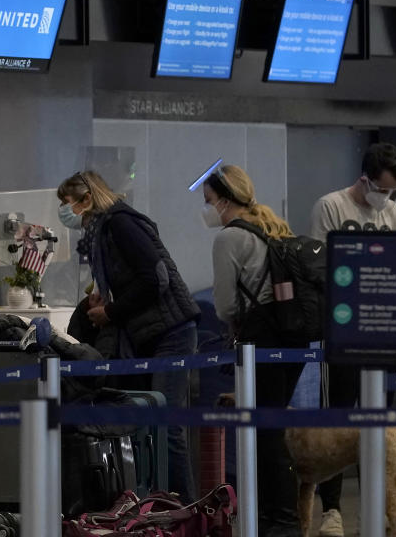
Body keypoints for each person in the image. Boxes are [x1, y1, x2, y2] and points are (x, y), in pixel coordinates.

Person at [57, 170, 199, 503]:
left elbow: (155, 279)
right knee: (151, 426)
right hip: (150, 334)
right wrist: (104, 300)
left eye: (66, 203)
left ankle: (187, 511)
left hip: (171, 332)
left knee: (166, 427)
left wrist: (111, 311)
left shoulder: (119, 223)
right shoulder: (102, 231)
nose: (64, 212)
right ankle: (159, 506)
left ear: (87, 198)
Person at [310, 142, 396, 537]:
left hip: (382, 330)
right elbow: (317, 266)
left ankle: (380, 506)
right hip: (344, 328)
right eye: (381, 189)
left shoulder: (393, 212)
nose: (385, 198)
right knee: (339, 419)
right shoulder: (331, 207)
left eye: (392, 192)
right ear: (365, 179)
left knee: (381, 425)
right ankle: (332, 509)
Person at [202, 164, 303, 537]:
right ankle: (279, 518)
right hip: (290, 339)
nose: (207, 209)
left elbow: (226, 306)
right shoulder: (271, 225)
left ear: (225, 200)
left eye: (209, 201)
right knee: (270, 428)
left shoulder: (229, 238)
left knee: (264, 433)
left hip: (261, 343)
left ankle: (278, 521)